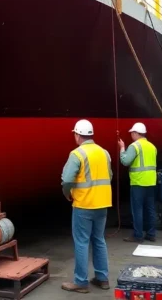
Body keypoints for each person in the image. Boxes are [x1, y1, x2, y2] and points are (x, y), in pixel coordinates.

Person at [60, 119, 112, 294]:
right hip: (102, 204)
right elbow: (109, 176)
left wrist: (67, 194)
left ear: (77, 135)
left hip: (83, 204)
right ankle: (102, 278)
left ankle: (81, 282)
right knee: (99, 239)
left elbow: (67, 180)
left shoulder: (77, 154)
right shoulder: (104, 153)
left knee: (82, 242)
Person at [119, 122, 157, 243]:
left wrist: (122, 148)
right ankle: (151, 234)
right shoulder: (152, 146)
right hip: (151, 181)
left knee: (137, 210)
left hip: (138, 182)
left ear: (136, 133)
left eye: (132, 133)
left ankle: (138, 235)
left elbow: (125, 161)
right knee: (150, 209)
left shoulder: (134, 146)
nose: (131, 135)